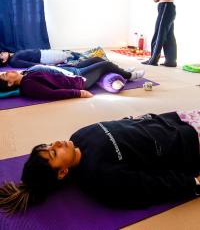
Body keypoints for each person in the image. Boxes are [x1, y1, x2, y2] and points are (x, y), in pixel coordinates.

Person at [0, 109, 200, 215]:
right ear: (62, 172)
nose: (58, 143)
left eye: (50, 144)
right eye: (54, 153)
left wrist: (157, 117)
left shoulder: (78, 136)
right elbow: (149, 186)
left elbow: (122, 124)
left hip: (175, 119)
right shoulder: (100, 177)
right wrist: (193, 183)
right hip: (188, 143)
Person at [0, 57, 145, 100]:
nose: (8, 71)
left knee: (97, 58)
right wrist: (79, 93)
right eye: (6, 74)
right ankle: (129, 76)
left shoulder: (26, 75)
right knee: (105, 64)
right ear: (11, 82)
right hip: (79, 80)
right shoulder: (28, 85)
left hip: (73, 72)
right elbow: (51, 94)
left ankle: (122, 71)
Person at [142, 0, 177, 67]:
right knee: (169, 35)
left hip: (166, 7)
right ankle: (171, 61)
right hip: (167, 8)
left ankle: (153, 60)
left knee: (159, 34)